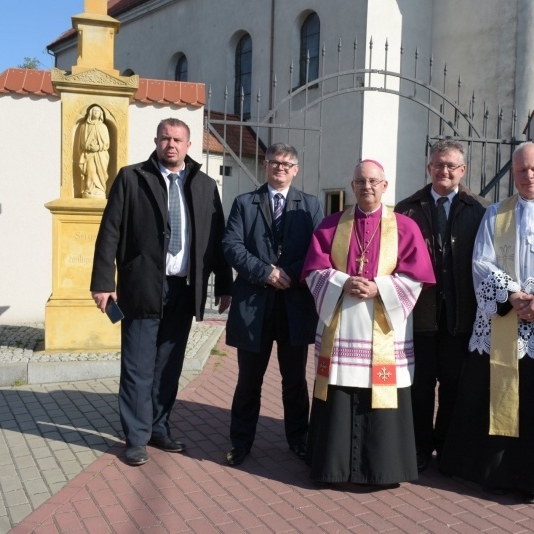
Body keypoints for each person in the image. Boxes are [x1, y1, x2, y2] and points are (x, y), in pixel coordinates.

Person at [439, 142, 534, 503]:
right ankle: (497, 474)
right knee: (500, 399)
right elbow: (481, 263)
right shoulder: (494, 214)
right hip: (506, 322)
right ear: (514, 173)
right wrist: (512, 296)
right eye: (521, 170)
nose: (528, 176)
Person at [91, 118, 233, 466]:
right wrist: (102, 283)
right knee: (138, 366)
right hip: (141, 287)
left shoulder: (203, 185)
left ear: (188, 146)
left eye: (178, 140)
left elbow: (217, 238)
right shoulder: (132, 178)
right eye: (166, 138)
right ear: (156, 141)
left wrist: (225, 284)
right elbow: (110, 230)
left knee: (169, 366)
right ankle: (135, 438)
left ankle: (158, 427)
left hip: (184, 290)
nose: (171, 145)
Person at [301, 159, 435, 486]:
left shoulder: (405, 227)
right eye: (361, 181)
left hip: (384, 329)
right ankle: (333, 467)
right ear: (352, 186)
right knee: (341, 391)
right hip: (343, 324)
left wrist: (380, 287)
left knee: (382, 393)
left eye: (374, 181)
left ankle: (382, 469)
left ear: (385, 186)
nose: (367, 187)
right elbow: (314, 270)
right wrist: (342, 283)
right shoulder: (331, 226)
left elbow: (416, 277)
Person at [222, 143, 324, 466]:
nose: (280, 168)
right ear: (265, 166)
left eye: (286, 163)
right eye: (274, 162)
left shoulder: (310, 205)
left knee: (295, 380)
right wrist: (265, 272)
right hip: (254, 306)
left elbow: (318, 249)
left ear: (296, 169)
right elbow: (231, 246)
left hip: (294, 307)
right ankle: (240, 442)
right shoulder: (244, 203)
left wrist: (290, 275)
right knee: (248, 380)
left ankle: (299, 439)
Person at [394, 140, 488, 473]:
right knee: (419, 387)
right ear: (428, 167)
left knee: (455, 387)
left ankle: (447, 447)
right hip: (420, 317)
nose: (444, 171)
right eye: (438, 164)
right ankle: (419, 447)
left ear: (462, 171)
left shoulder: (481, 210)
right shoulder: (406, 210)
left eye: (451, 166)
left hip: (462, 317)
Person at [79, 105, 111, 198]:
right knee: (90, 170)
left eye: (98, 111)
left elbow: (107, 143)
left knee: (100, 172)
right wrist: (89, 147)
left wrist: (98, 147)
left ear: (101, 114)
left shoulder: (103, 127)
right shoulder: (84, 126)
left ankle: (100, 189)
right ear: (90, 113)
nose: (96, 113)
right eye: (94, 111)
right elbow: (81, 142)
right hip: (88, 154)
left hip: (100, 154)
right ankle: (89, 189)